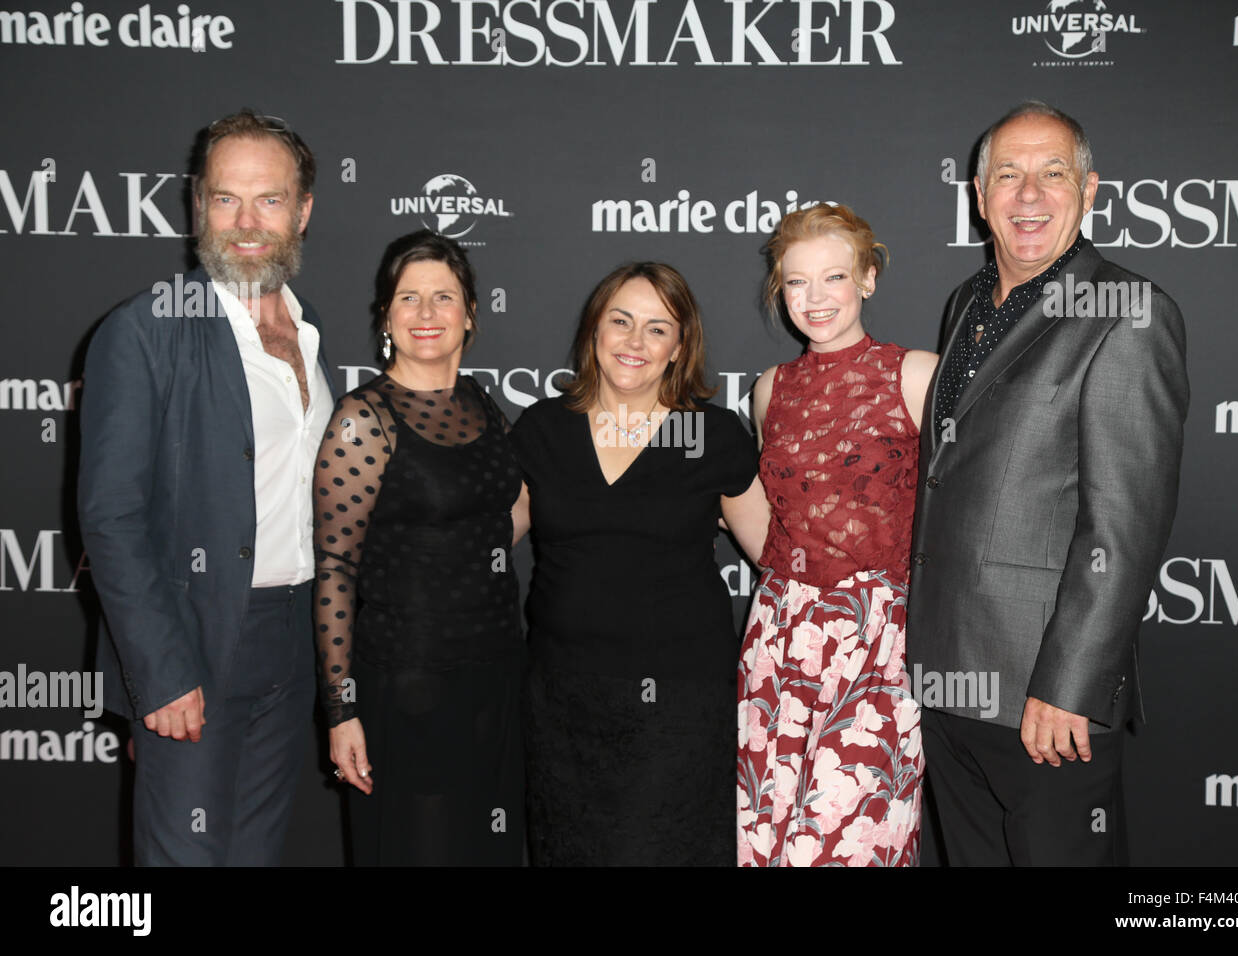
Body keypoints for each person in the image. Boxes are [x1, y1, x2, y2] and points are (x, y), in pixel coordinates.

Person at [908, 101, 1189, 866]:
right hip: (948, 685)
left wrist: (1069, 685)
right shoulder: (964, 304)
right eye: (1008, 174)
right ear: (977, 193)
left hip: (1044, 700)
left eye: (1052, 173)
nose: (1028, 195)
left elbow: (1123, 528)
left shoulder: (1126, 313)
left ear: (1090, 190)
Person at [78, 110, 331, 865]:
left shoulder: (310, 327)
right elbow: (112, 517)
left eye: (270, 200)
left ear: (305, 209)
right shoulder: (145, 329)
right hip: (197, 640)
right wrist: (160, 671)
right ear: (198, 206)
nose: (247, 223)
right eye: (226, 199)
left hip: (293, 643)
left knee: (253, 854)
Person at [509, 262, 769, 866]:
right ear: (594, 330)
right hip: (561, 702)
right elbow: (488, 540)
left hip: (678, 706)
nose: (634, 342)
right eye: (620, 321)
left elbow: (779, 557)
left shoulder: (709, 434)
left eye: (658, 329)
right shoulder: (544, 429)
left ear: (680, 348)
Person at [735, 203, 938, 867]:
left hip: (878, 641)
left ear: (868, 279)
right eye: (796, 282)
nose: (815, 299)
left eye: (834, 278)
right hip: (780, 638)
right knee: (769, 838)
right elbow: (772, 519)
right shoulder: (770, 389)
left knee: (852, 841)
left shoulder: (916, 374)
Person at [314, 230, 526, 865]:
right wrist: (340, 709)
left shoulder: (482, 406)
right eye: (409, 298)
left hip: (493, 677)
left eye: (444, 297)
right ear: (385, 316)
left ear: (471, 314)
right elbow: (335, 568)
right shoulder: (363, 418)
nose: (427, 315)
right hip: (404, 686)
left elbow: (496, 519)